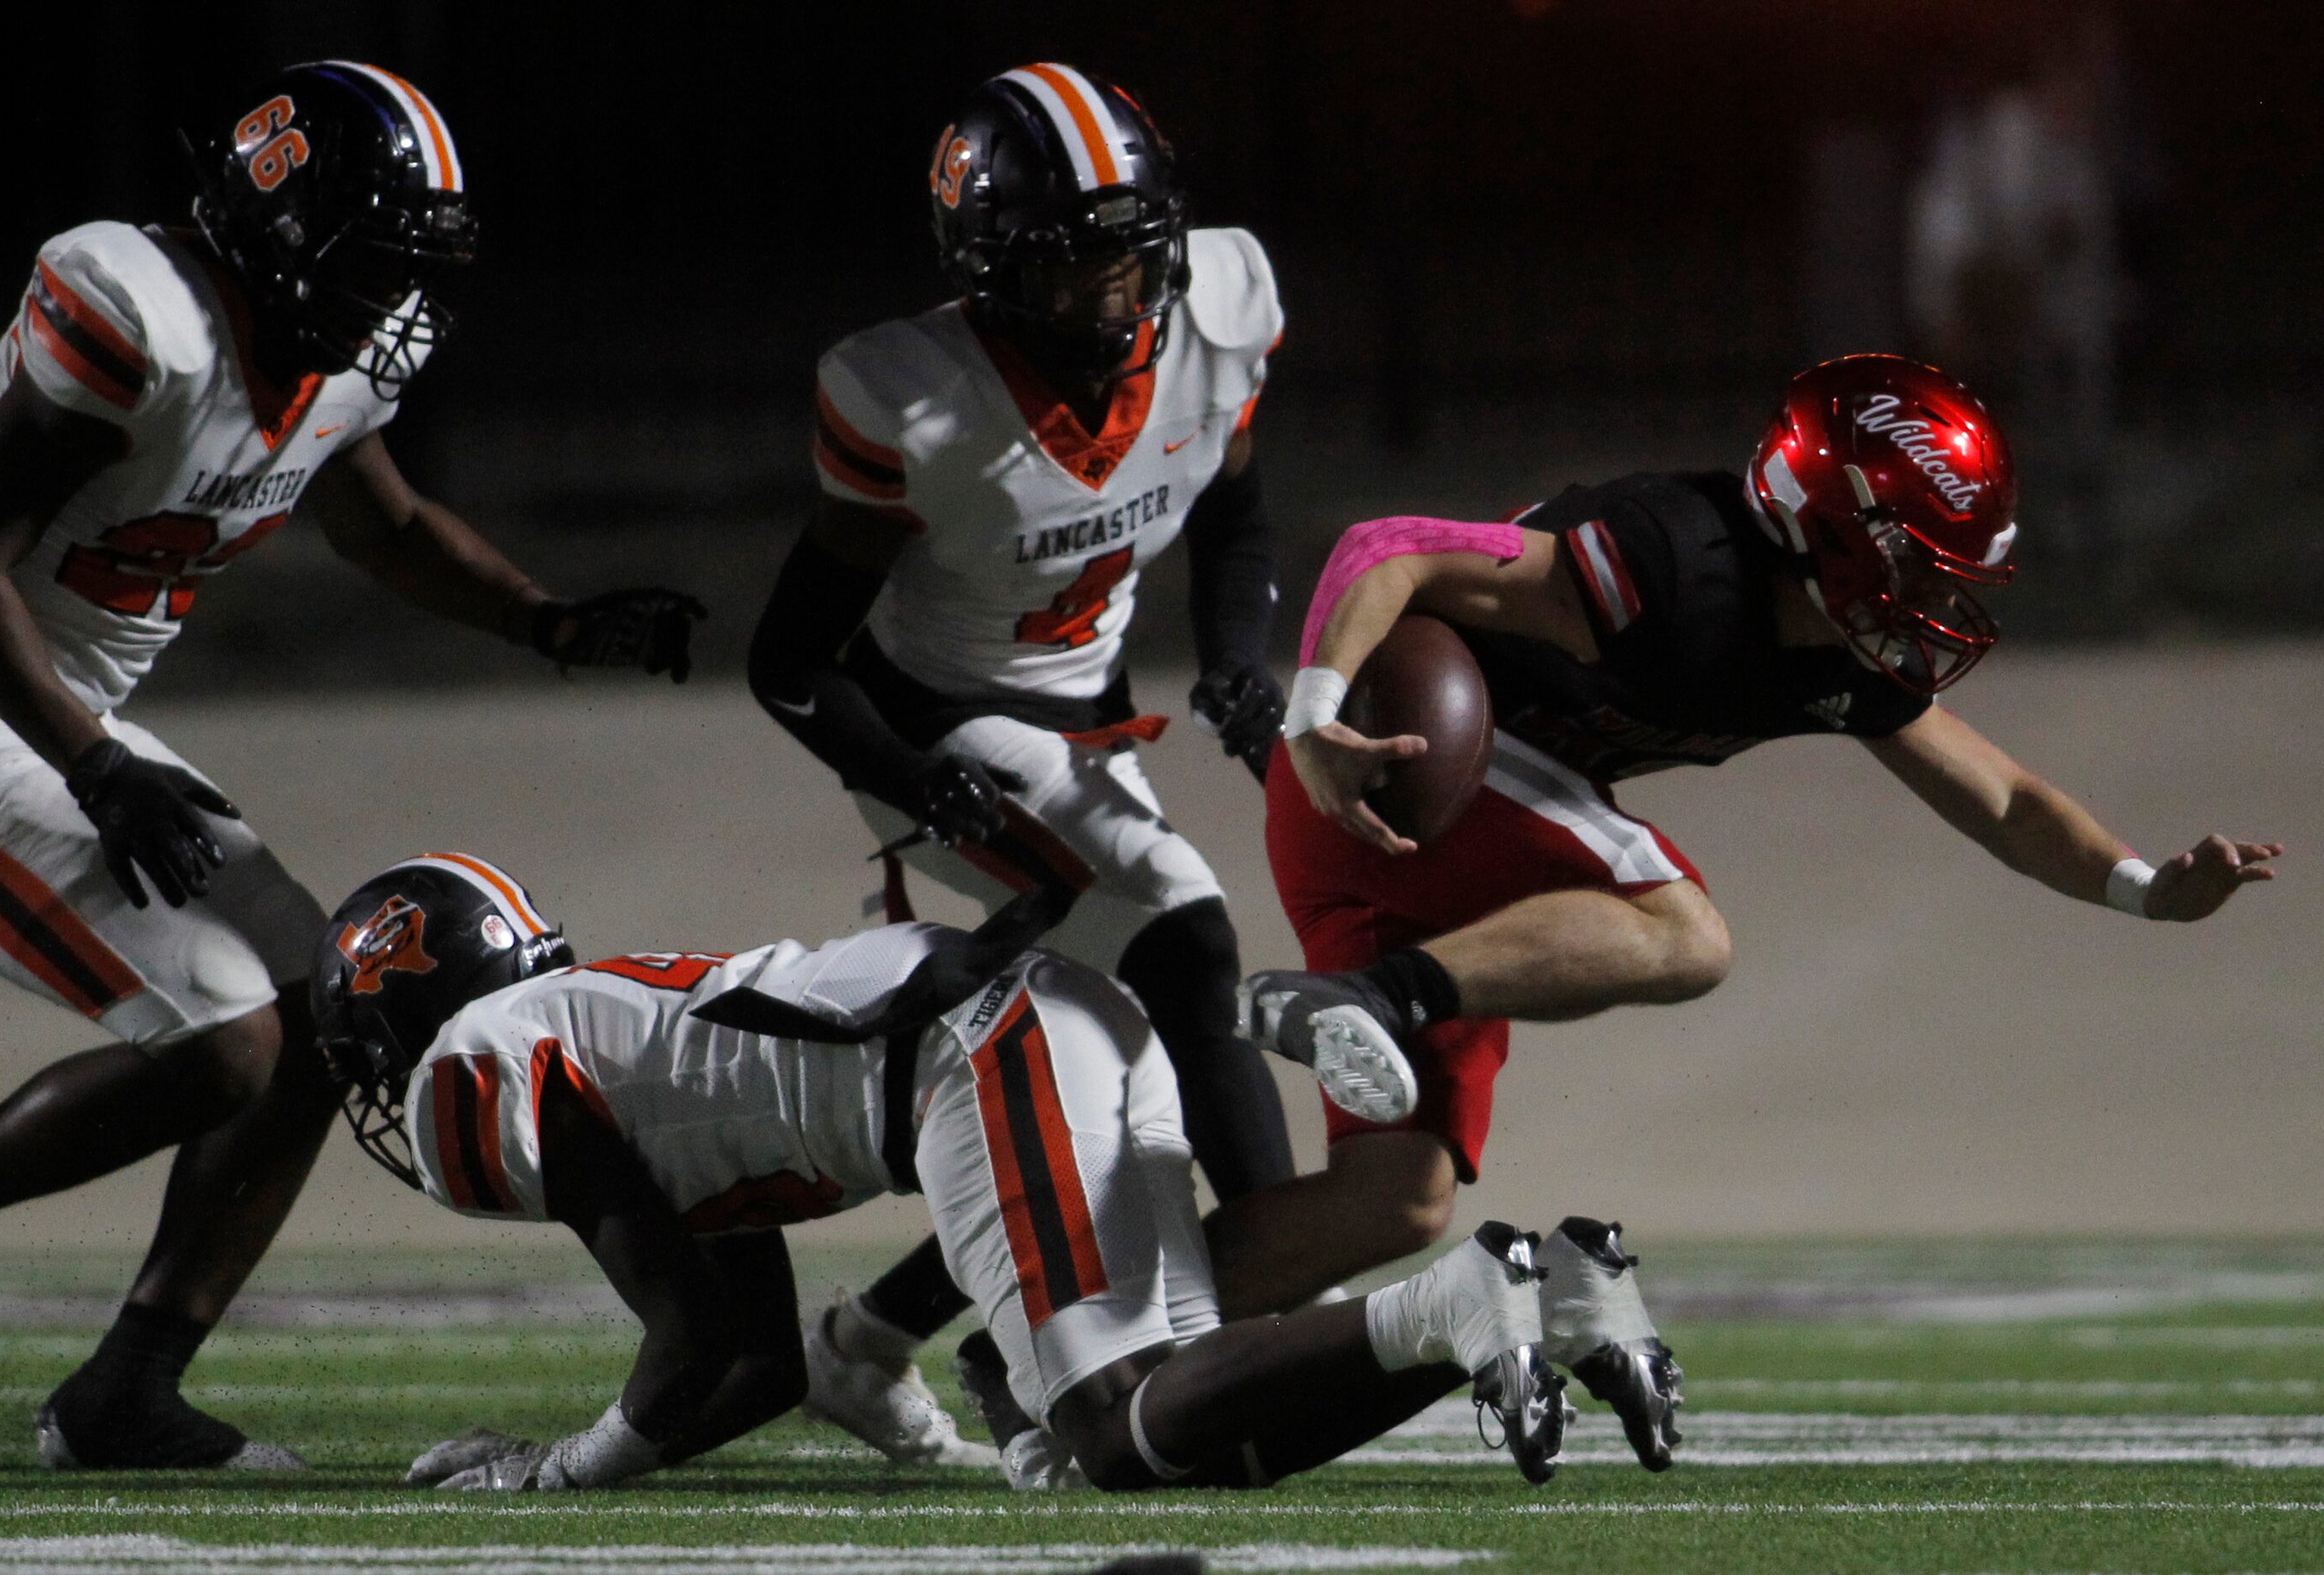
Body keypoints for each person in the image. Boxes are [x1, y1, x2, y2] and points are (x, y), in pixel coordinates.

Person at [0, 62, 703, 1470]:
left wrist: (547, 618)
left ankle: (125, 1389)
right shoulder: (138, 315)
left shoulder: (314, 355)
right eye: (375, 255)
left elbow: (387, 529)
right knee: (228, 1039)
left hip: (64, 725)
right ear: (287, 228)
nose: (392, 295)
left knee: (314, 1023)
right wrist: (96, 766)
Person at [1232, 353, 2283, 1468]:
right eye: (1919, 569)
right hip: (1391, 771)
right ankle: (1361, 999)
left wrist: (2141, 888)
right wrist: (1312, 714)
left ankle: (1094, 1340)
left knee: (1388, 1208)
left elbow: (2009, 800)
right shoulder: (1671, 559)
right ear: (1833, 528)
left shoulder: (1825, 640)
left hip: (1414, 839)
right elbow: (1380, 546)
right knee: (1683, 930)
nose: (1934, 601)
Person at [744, 64, 1342, 1442]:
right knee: (1189, 942)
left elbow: (1236, 519)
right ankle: (1269, 1331)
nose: (1117, 296)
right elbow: (790, 662)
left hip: (1081, 716)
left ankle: (866, 1337)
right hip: (932, 721)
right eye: (1072, 271)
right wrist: (913, 781)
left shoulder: (1222, 314)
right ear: (992, 273)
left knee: (1113, 1066)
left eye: (1132, 256)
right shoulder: (914, 399)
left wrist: (1237, 662)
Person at [312, 854, 1595, 1492]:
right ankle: (1529, 1305)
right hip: (1036, 1029)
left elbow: (687, 1330)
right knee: (1186, 1442)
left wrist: (561, 1468)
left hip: (973, 1052)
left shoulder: (470, 1069)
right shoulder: (591, 1037)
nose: (388, 1092)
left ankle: (1453, 1302)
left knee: (1109, 1420)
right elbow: (753, 1359)